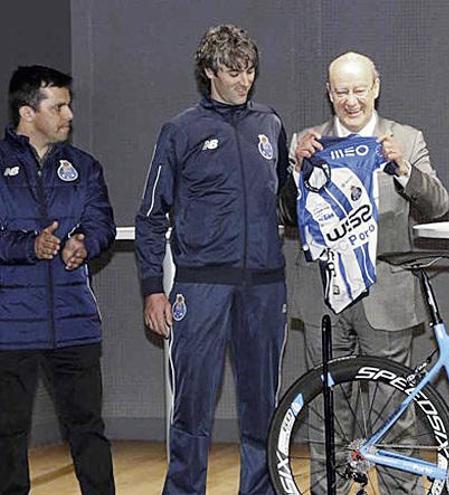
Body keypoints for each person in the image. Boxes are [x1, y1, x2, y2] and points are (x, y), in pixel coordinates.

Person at [135, 25, 290, 495]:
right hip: (201, 287)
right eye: (232, 71)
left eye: (250, 71)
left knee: (262, 406)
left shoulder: (271, 124)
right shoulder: (180, 130)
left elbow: (288, 198)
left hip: (265, 285)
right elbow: (149, 215)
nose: (244, 81)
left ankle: (259, 490)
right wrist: (152, 289)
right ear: (209, 72)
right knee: (193, 406)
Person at [286, 51, 449, 493]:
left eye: (359, 90)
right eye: (342, 91)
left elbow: (439, 205)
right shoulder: (308, 140)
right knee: (326, 413)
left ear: (376, 87)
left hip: (387, 296)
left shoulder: (406, 138)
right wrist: (295, 175)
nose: (351, 100)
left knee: (393, 413)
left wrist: (404, 169)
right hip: (324, 296)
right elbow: (286, 216)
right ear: (328, 92)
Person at [0, 65, 116, 494]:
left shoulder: (84, 167)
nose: (69, 114)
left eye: (69, 105)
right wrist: (29, 246)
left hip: (75, 323)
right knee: (8, 435)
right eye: (59, 106)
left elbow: (101, 222)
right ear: (28, 112)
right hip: (10, 327)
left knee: (88, 429)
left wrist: (84, 243)